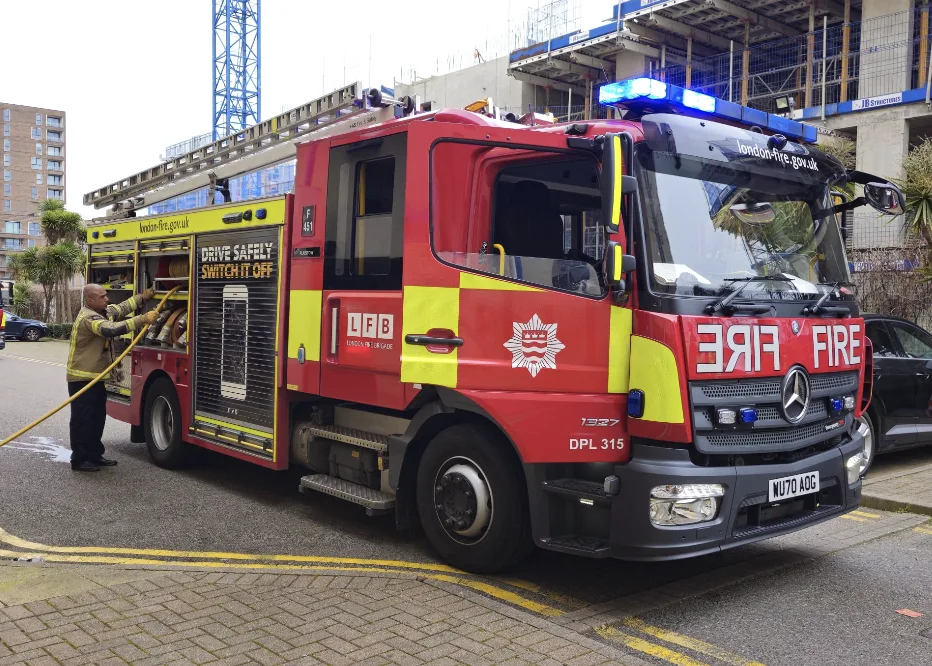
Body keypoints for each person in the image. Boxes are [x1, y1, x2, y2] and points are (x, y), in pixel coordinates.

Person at [66, 284, 157, 472]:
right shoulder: (88, 318)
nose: (107, 299)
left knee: (97, 419)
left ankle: (94, 455)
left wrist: (143, 297)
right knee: (83, 421)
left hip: (96, 378)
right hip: (82, 379)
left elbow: (122, 308)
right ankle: (80, 460)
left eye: (106, 295)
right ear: (90, 300)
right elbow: (111, 330)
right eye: (102, 296)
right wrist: (143, 319)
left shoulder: (103, 311)